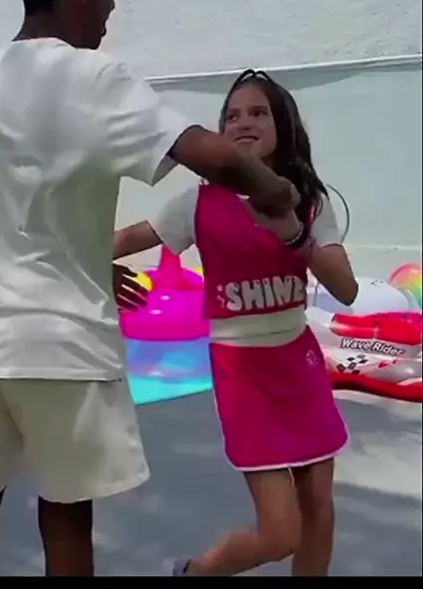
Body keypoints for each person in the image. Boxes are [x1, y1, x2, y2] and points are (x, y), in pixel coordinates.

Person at [0, 0, 299, 577]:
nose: (112, 3)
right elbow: (210, 155)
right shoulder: (93, 78)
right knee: (66, 521)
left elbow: (0, 211)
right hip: (63, 349)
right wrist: (278, 193)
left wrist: (83, 260)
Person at [114, 69, 359, 577]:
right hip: (242, 373)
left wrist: (293, 233)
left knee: (318, 509)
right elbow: (126, 239)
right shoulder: (198, 202)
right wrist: (78, 258)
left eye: (258, 113)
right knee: (280, 534)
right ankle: (193, 573)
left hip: (299, 363)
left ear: (282, 125)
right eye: (232, 115)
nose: (243, 122)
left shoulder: (310, 202)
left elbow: (347, 289)